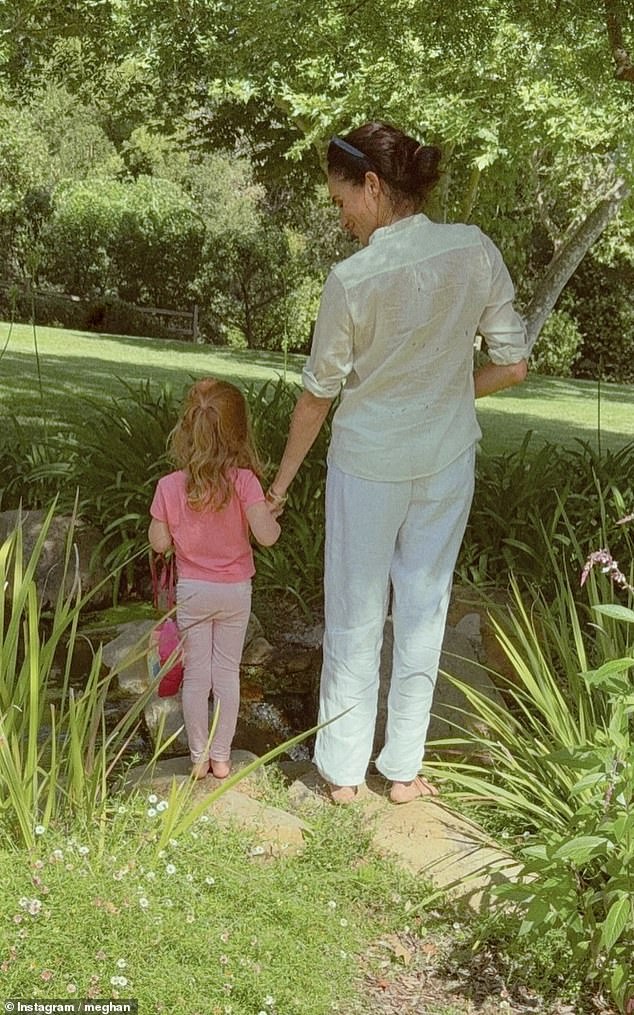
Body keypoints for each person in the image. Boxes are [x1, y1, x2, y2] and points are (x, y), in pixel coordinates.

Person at [266, 121, 528, 804]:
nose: (341, 216)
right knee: (425, 605)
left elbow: (317, 397)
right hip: (446, 460)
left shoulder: (352, 280)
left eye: (341, 200)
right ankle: (405, 769)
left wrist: (280, 484)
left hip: (370, 462)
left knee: (355, 608)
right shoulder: (474, 250)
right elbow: (513, 362)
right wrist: (447, 392)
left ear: (373, 186)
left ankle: (344, 773)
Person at [149, 378, 280, 781]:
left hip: (193, 592)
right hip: (234, 592)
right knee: (226, 673)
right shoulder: (245, 483)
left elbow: (159, 542)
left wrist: (172, 525)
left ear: (188, 430)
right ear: (239, 434)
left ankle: (197, 757)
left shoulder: (170, 486)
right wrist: (271, 511)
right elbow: (268, 538)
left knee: (196, 675)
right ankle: (222, 757)